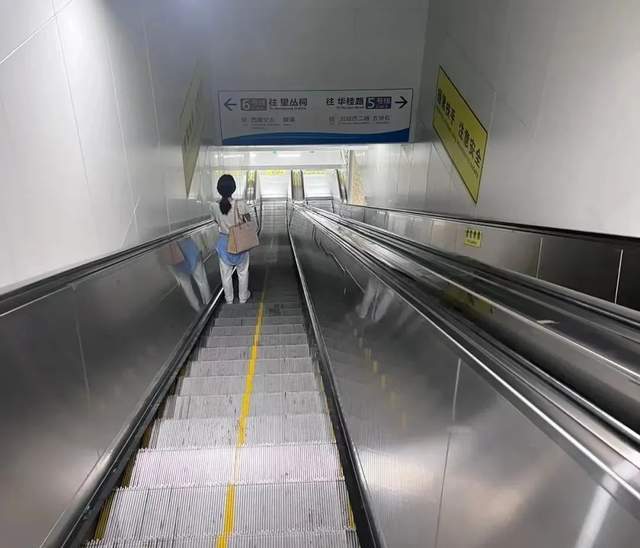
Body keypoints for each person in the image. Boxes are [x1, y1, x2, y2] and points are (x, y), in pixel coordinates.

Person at [212, 174, 251, 304]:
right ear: (233, 188)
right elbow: (249, 221)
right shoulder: (241, 204)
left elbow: (216, 222)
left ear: (219, 189)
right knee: (243, 271)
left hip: (224, 243)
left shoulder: (214, 206)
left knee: (226, 274)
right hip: (240, 241)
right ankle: (243, 298)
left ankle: (229, 299)